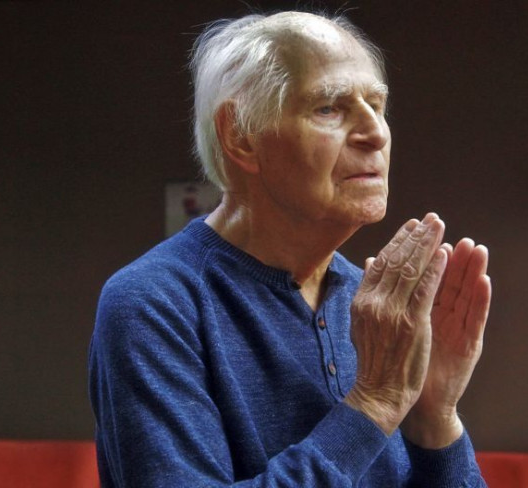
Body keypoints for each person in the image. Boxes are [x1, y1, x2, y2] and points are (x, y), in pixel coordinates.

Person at [89, 10, 492, 487]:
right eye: (329, 108)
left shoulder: (376, 308)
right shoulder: (152, 303)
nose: (376, 133)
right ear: (240, 135)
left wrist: (435, 419)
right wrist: (375, 403)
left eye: (376, 105)